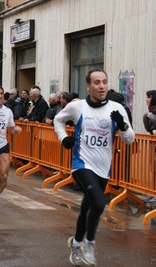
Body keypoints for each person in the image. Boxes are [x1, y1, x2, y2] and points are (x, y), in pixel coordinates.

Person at [54, 69, 135, 266]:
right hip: (82, 163)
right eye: (97, 82)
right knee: (98, 204)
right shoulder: (77, 107)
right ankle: (89, 243)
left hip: (103, 167)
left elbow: (130, 140)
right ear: (88, 86)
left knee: (87, 207)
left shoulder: (117, 108)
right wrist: (64, 138)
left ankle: (75, 242)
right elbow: (58, 119)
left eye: (104, 82)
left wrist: (123, 126)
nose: (101, 86)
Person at [142, 90, 156, 203]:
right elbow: (149, 129)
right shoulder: (150, 112)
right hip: (153, 144)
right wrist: (146, 117)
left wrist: (151, 116)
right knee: (153, 168)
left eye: (149, 97)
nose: (147, 99)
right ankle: (152, 192)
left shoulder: (153, 113)